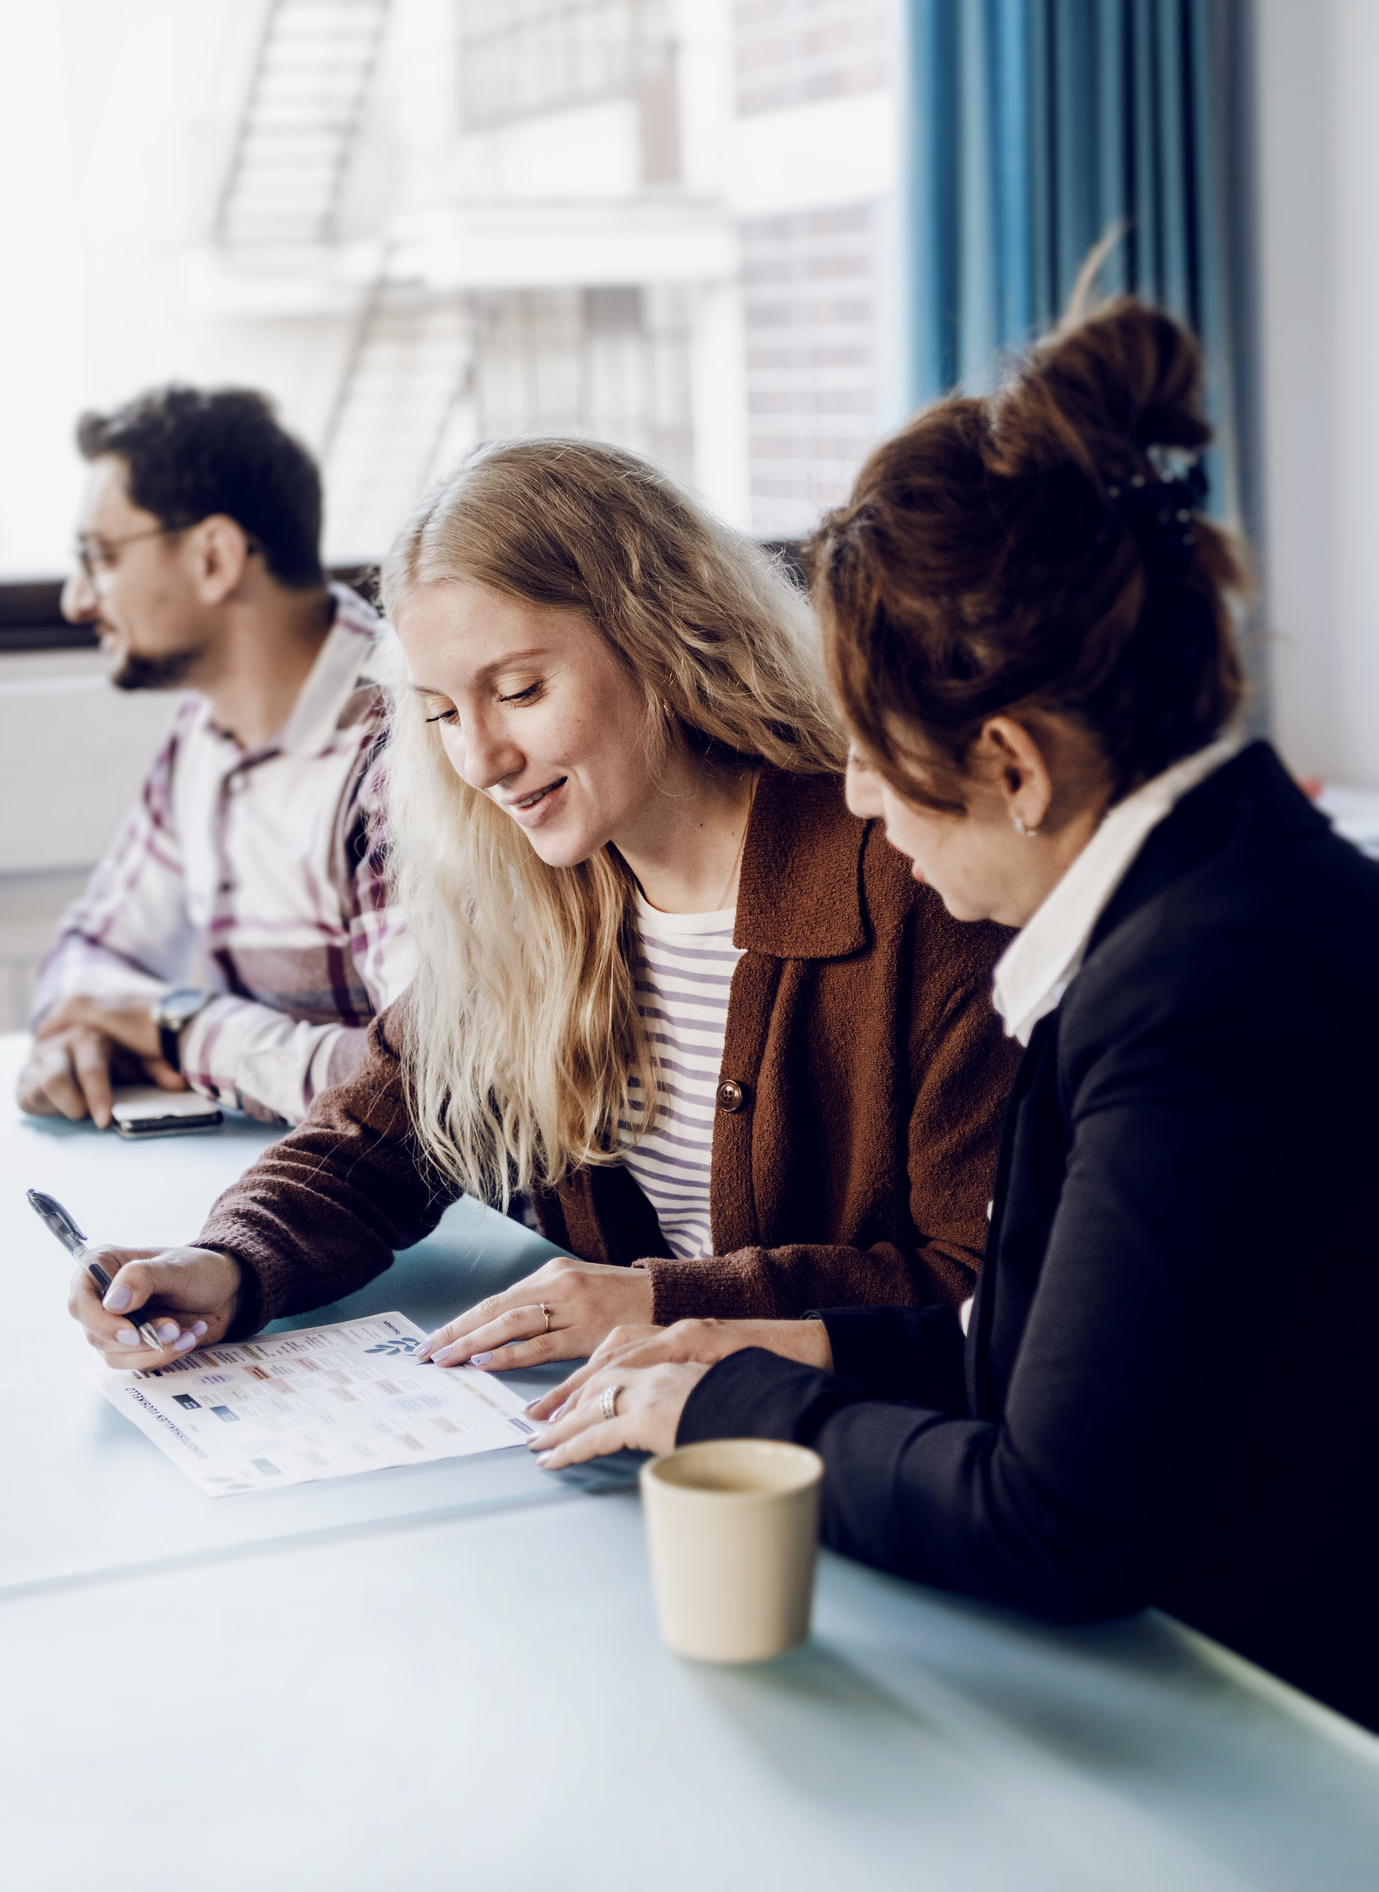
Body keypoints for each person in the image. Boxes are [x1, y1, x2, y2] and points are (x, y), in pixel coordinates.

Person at [526, 301, 1379, 1731]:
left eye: (869, 761)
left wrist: (722, 1416)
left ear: (1009, 765)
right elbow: (1069, 1357)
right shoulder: (1198, 905)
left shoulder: (1198, 1001)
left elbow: (1053, 1520)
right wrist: (797, 1348)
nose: (853, 800)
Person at [67, 435, 1015, 1368]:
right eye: (440, 711)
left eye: (518, 689)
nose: (479, 760)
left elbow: (981, 1289)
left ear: (664, 634)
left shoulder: (919, 885)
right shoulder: (540, 889)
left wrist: (656, 1302)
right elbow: (382, 1133)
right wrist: (229, 1260)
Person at [19, 385, 410, 1129]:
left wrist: (178, 1025)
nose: (76, 600)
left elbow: (422, 1087)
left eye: (100, 558)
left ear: (214, 558)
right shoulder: (200, 734)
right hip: (287, 1177)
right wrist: (82, 1037)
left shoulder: (402, 747)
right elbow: (85, 962)